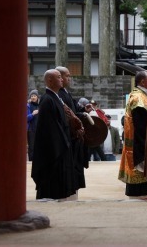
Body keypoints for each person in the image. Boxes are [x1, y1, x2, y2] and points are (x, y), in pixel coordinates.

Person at [31, 69, 77, 200]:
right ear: (50, 81)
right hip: (54, 151)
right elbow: (51, 129)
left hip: (61, 145)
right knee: (52, 188)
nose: (62, 79)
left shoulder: (56, 98)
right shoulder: (47, 100)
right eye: (58, 77)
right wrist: (65, 143)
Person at [118, 71, 147, 199]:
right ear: (143, 82)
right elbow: (141, 127)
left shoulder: (144, 95)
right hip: (139, 145)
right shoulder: (138, 98)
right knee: (141, 192)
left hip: (142, 143)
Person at [56, 66, 90, 200]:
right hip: (70, 136)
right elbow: (69, 115)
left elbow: (75, 108)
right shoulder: (59, 95)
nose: (69, 78)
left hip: (75, 136)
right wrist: (80, 115)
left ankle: (73, 190)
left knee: (76, 166)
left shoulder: (65, 92)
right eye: (67, 76)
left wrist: (83, 109)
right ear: (60, 78)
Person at [26, 89, 40, 161]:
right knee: (31, 147)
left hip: (39, 129)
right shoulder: (28, 106)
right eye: (31, 96)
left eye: (34, 96)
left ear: (37, 97)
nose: (33, 97)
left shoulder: (40, 106)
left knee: (38, 146)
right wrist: (32, 114)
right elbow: (25, 118)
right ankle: (31, 161)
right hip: (31, 129)